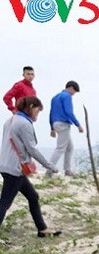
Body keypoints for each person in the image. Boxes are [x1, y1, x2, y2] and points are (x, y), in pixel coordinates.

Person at [0, 96, 61, 236]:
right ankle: (42, 229)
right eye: (38, 111)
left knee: (33, 196)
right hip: (15, 168)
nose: (38, 115)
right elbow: (32, 149)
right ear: (32, 107)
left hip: (6, 165)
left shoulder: (10, 120)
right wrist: (50, 165)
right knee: (4, 202)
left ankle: (42, 229)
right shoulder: (24, 124)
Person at [47, 81, 83, 177]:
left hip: (55, 123)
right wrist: (78, 125)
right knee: (60, 148)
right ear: (71, 88)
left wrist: (52, 128)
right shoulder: (67, 96)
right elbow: (69, 112)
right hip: (63, 124)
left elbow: (51, 113)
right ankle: (49, 170)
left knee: (70, 147)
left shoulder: (55, 97)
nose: (74, 93)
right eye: (74, 91)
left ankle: (67, 170)